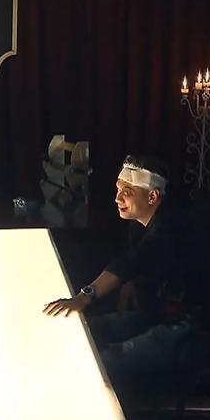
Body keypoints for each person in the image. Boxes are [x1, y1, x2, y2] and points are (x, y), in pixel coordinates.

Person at [42, 155, 196, 388]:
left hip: (187, 326)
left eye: (127, 191)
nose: (117, 198)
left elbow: (130, 262)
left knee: (102, 364)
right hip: (156, 312)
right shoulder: (141, 221)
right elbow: (135, 260)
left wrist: (83, 297)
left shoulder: (169, 228)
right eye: (118, 189)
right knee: (90, 330)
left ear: (152, 197)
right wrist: (130, 282)